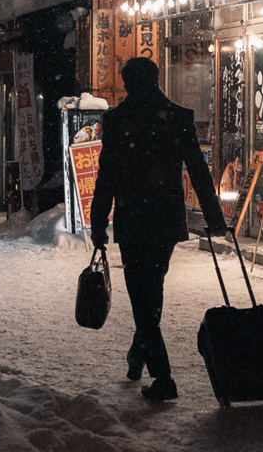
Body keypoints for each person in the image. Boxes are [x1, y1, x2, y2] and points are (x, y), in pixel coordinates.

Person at [90, 56, 227, 402]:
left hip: (134, 219)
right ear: (156, 79)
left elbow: (107, 178)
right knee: (152, 290)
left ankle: (163, 376)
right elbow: (198, 170)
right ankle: (139, 353)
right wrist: (214, 216)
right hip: (166, 220)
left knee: (142, 295)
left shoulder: (118, 120)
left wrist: (97, 223)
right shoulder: (178, 118)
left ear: (128, 84)